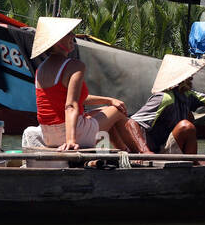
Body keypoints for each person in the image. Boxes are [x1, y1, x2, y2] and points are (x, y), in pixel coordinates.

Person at [30, 17, 135, 152]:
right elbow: (70, 105)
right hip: (71, 134)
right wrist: (71, 141)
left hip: (48, 135)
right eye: (68, 34)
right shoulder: (74, 66)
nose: (73, 36)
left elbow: (76, 98)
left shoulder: (40, 69)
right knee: (119, 111)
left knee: (105, 110)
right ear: (56, 42)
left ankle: (123, 150)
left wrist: (109, 100)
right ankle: (135, 154)